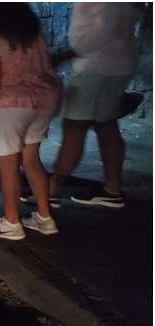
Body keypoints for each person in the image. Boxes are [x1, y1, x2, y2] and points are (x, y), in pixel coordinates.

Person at [0, 3, 62, 240]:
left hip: (8, 104)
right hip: (42, 100)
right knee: (32, 160)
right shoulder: (31, 34)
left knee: (8, 166)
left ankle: (11, 222)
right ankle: (44, 218)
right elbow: (48, 65)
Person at [47, 3, 144, 209]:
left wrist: (65, 55)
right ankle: (112, 189)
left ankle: (51, 191)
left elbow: (101, 30)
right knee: (106, 124)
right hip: (120, 63)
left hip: (94, 67)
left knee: (75, 127)